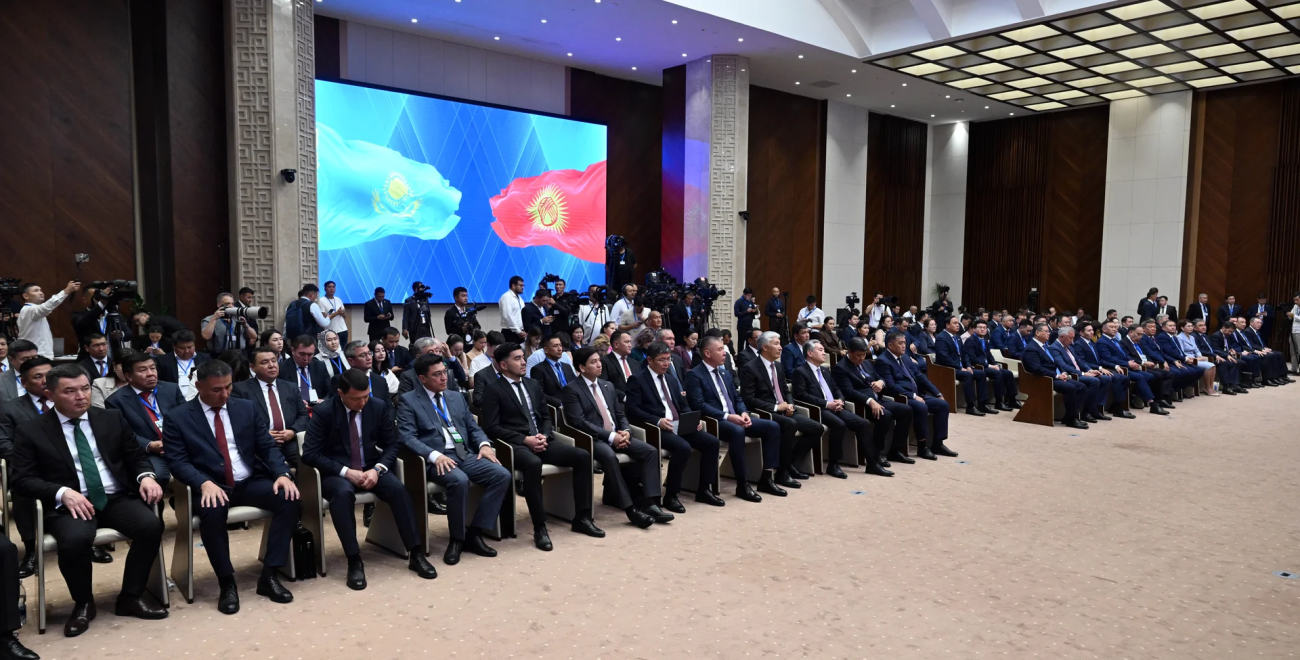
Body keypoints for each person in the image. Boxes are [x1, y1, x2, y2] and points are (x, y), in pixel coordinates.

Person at [11, 364, 167, 635]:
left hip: (114, 496)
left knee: (151, 526)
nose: (81, 396)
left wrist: (146, 476)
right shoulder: (31, 430)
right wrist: (61, 492)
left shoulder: (110, 418)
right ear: (50, 395)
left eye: (85, 388)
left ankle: (131, 596)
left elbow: (135, 456)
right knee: (74, 541)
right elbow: (22, 479)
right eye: (70, 391)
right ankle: (83, 603)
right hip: (71, 503)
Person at [163, 359, 301, 614]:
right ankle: (227, 582)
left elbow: (267, 447)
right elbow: (177, 462)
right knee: (212, 512)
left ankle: (269, 575)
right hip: (211, 485)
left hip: (248, 481)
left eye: (228, 387)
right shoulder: (178, 417)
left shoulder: (246, 408)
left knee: (289, 498)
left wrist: (282, 473)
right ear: (198, 387)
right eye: (217, 389)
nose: (224, 394)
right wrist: (203, 483)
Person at [302, 369, 436, 588]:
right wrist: (346, 472)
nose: (363, 403)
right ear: (340, 394)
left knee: (398, 490)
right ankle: (354, 560)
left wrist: (378, 469)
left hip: (371, 467)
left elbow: (392, 444)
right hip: (337, 472)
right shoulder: (325, 411)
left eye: (366, 396)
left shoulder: (377, 406)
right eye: (356, 398)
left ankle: (416, 553)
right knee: (343, 494)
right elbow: (309, 453)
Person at [481, 343, 601, 550]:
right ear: (503, 365)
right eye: (517, 358)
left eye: (523, 357)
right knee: (533, 464)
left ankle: (582, 517)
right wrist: (524, 439)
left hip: (542, 439)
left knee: (582, 456)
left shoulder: (533, 384)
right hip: (515, 445)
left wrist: (544, 435)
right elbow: (492, 427)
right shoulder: (493, 390)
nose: (523, 362)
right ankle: (539, 527)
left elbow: (546, 417)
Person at [397, 353, 510, 562]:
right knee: (459, 481)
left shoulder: (455, 397)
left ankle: (474, 533)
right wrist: (434, 456)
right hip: (436, 459)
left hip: (463, 453)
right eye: (437, 374)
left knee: (501, 475)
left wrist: (484, 444)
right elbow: (407, 437)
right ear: (422, 378)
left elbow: (472, 427)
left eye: (445, 372)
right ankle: (457, 539)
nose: (444, 378)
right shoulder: (409, 400)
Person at [562, 346, 666, 527]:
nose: (599, 365)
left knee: (650, 451)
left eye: (599, 360)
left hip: (618, 434)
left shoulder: (607, 385)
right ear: (582, 367)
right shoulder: (571, 389)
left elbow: (620, 414)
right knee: (610, 457)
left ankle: (650, 503)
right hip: (594, 439)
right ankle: (631, 510)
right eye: (593, 362)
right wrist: (610, 437)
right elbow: (579, 422)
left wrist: (626, 431)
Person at [625, 341, 724, 512]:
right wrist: (657, 420)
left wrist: (692, 419)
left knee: (711, 442)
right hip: (656, 427)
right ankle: (671, 495)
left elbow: (682, 404)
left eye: (668, 359)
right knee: (682, 447)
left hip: (679, 424)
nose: (666, 364)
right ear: (649, 360)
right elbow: (632, 410)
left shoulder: (671, 379)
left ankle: (704, 490)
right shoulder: (638, 379)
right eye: (661, 360)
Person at [684, 335, 784, 501]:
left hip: (735, 417)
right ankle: (742, 484)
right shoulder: (694, 375)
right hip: (715, 420)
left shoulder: (724, 372)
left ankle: (766, 478)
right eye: (720, 349)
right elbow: (699, 405)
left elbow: (737, 398)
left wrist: (744, 412)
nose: (725, 353)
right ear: (707, 353)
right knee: (737, 431)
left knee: (772, 427)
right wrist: (728, 416)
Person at [793, 339, 887, 478]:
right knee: (839, 424)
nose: (824, 352)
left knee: (862, 423)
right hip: (819, 409)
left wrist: (840, 400)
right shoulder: (800, 372)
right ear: (810, 353)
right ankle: (833, 464)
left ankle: (872, 463)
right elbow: (801, 396)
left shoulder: (824, 370)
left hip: (835, 406)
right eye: (820, 350)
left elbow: (836, 388)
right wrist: (827, 404)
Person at [739, 331, 824, 485]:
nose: (780, 347)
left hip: (784, 410)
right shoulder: (750, 368)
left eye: (780, 344)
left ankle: (790, 463)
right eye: (776, 344)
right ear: (765, 347)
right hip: (765, 412)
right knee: (790, 424)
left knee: (817, 428)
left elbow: (786, 391)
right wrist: (776, 407)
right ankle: (781, 473)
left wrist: (790, 404)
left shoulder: (778, 366)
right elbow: (749, 399)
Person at [0, 357, 54, 579]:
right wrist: (34, 460)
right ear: (23, 382)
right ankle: (31, 548)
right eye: (38, 377)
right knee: (23, 487)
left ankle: (90, 542)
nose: (45, 381)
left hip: (70, 462)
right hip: (29, 466)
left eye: (48, 375)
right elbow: (4, 444)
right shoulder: (10, 408)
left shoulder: (66, 400)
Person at [105, 351, 186, 491]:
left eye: (152, 368)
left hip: (179, 446)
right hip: (149, 452)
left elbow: (186, 419)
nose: (150, 374)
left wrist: (176, 442)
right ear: (129, 376)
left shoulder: (171, 389)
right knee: (157, 476)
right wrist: (149, 445)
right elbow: (122, 434)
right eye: (143, 370)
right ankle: (156, 504)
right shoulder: (115, 401)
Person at [876, 332, 953, 461]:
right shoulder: (882, 361)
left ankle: (938, 443)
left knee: (943, 405)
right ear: (890, 345)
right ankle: (922, 446)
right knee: (921, 407)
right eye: (900, 343)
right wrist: (912, 396)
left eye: (905, 343)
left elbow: (920, 377)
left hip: (918, 394)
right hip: (900, 397)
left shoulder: (905, 357)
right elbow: (890, 386)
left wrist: (937, 393)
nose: (904, 346)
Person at [231, 347, 309, 467]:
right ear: (252, 367)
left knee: (307, 463)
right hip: (259, 444)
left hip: (289, 440)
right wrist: (263, 434)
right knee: (269, 467)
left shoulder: (290, 387)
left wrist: (293, 431)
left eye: (274, 360)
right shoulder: (241, 390)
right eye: (264, 362)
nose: (272, 365)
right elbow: (238, 422)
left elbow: (303, 415)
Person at [1022, 323, 1088, 429]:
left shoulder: (1046, 346)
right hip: (1042, 379)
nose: (1049, 333)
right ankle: (1072, 419)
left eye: (1049, 331)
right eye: (1046, 331)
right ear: (1037, 332)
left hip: (1053, 376)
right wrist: (1056, 376)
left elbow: (1054, 363)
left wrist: (1062, 373)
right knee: (1070, 388)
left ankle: (1069, 416)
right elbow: (1036, 369)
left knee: (1081, 387)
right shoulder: (1031, 348)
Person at [1072, 323, 1135, 418]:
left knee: (1125, 378)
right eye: (1089, 330)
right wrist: (1100, 368)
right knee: (1112, 378)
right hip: (1090, 370)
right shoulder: (1079, 344)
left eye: (1092, 330)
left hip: (1099, 368)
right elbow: (1082, 362)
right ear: (1081, 333)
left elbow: (1100, 360)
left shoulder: (1091, 342)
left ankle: (1116, 406)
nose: (1092, 332)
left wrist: (1115, 366)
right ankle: (1101, 409)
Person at [934, 316, 993, 415]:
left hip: (960, 367)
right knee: (968, 375)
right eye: (955, 323)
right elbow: (944, 357)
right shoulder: (941, 338)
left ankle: (983, 403)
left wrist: (968, 366)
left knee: (981, 373)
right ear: (947, 325)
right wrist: (960, 368)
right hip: (947, 369)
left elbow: (964, 354)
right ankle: (971, 406)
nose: (958, 325)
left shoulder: (957, 337)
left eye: (958, 323)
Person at [1050, 327, 1105, 421]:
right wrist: (1082, 373)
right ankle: (1085, 412)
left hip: (1080, 372)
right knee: (1094, 381)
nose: (1072, 341)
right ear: (1062, 337)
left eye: (1073, 338)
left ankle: (1094, 410)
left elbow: (1079, 361)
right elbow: (1063, 366)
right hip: (1071, 375)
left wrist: (1089, 370)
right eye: (1070, 338)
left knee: (1104, 378)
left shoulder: (1070, 347)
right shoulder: (1054, 348)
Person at [963, 320, 1018, 411]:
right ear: (974, 329)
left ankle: (1012, 399)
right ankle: (998, 402)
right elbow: (972, 358)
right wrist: (989, 365)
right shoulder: (970, 341)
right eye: (980, 327)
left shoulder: (985, 340)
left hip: (987, 365)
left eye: (984, 328)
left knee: (1008, 373)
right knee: (998, 373)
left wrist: (995, 364)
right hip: (979, 366)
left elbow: (989, 355)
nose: (982, 329)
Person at [18, 280, 80, 358]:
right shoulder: (29, 310)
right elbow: (46, 307)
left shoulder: (31, 310)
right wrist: (66, 291)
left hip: (38, 354)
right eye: (36, 291)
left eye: (40, 290)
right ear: (26, 296)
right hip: (36, 355)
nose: (41, 293)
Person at [1122, 324, 1176, 408]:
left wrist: (1151, 362)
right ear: (1131, 332)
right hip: (1137, 366)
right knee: (1156, 375)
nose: (1140, 336)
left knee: (1168, 374)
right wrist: (1143, 362)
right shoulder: (1123, 343)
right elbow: (1128, 357)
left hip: (1145, 364)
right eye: (1138, 334)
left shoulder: (1138, 342)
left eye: (1142, 334)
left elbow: (1146, 354)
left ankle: (1161, 398)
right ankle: (1138, 395)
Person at [156, 330, 209, 401]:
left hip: (200, 398)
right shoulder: (163, 361)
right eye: (182, 348)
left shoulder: (204, 358)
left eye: (190, 347)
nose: (187, 351)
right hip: (174, 400)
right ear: (174, 346)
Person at [278, 334, 331, 406]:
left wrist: (324, 401)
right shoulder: (282, 368)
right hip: (293, 407)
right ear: (293, 350)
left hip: (317, 408)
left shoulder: (319, 366)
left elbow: (330, 392)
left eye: (310, 355)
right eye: (302, 354)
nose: (306, 359)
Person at [201, 292, 257, 356]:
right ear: (219, 305)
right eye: (227, 304)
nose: (230, 306)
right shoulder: (209, 319)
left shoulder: (237, 318)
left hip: (239, 355)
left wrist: (245, 325)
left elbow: (254, 336)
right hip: (219, 356)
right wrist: (214, 319)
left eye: (232, 304)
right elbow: (206, 336)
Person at [529, 335, 577, 410]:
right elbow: (539, 393)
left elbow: (576, 385)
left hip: (574, 404)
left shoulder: (567, 367)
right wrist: (560, 403)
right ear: (546, 350)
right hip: (556, 409)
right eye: (555, 346)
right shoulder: (538, 369)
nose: (560, 349)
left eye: (560, 345)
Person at [1239, 316, 1290, 385]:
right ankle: (1268, 378)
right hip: (1254, 350)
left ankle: (1282, 376)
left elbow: (1261, 343)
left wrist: (1266, 348)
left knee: (1279, 354)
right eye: (1257, 323)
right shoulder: (1247, 331)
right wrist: (1262, 349)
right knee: (1269, 356)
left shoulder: (1257, 331)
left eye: (1260, 323)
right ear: (1251, 323)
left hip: (1261, 349)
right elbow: (1251, 344)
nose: (1259, 324)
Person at [600, 329, 639, 403]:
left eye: (630, 342)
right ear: (616, 344)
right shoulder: (604, 361)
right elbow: (604, 385)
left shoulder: (635, 363)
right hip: (618, 403)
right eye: (626, 342)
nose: (630, 345)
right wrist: (624, 398)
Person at [316, 281, 349, 347]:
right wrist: (336, 313)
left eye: (333, 287)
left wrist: (342, 313)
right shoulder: (321, 300)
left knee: (344, 350)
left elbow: (344, 317)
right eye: (329, 287)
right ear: (325, 289)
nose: (331, 288)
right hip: (331, 331)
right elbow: (323, 318)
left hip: (343, 329)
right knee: (333, 350)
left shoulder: (338, 299)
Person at [498, 276, 527, 343]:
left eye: (523, 285)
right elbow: (507, 316)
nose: (523, 287)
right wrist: (518, 331)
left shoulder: (520, 299)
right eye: (520, 285)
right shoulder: (506, 297)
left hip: (520, 332)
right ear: (513, 286)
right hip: (510, 333)